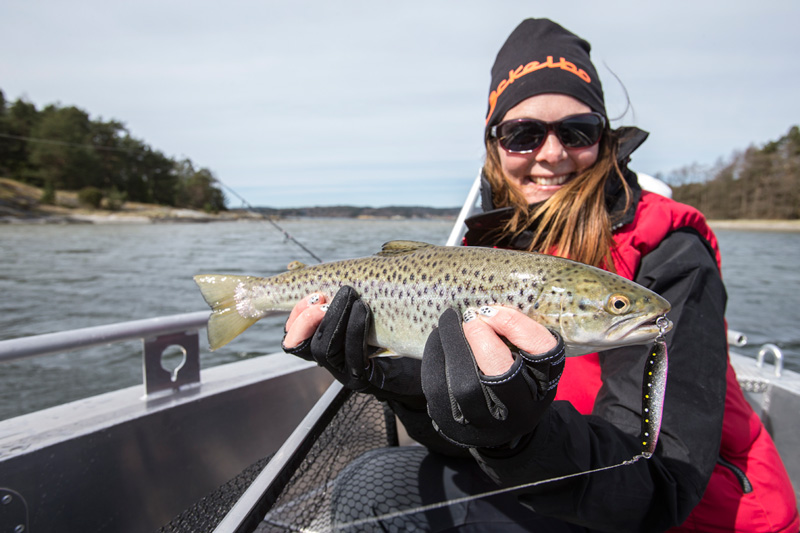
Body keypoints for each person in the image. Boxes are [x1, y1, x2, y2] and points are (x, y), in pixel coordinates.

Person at [282, 18, 799, 532]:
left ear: (605, 138)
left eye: (576, 131)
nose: (551, 153)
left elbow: (653, 484)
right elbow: (465, 448)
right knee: (371, 482)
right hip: (552, 490)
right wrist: (409, 387)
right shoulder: (479, 252)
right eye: (523, 134)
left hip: (682, 516)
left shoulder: (669, 256)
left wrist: (522, 438)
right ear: (495, 146)